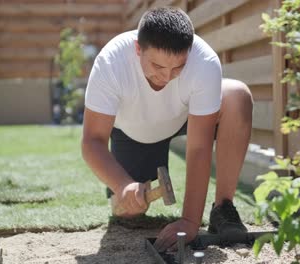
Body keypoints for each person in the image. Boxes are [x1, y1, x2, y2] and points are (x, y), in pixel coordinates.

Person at [81, 6, 253, 252]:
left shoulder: (204, 61)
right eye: (158, 66)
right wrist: (122, 185)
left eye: (178, 67)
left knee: (237, 96)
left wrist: (190, 221)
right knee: (130, 212)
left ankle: (223, 208)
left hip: (184, 117)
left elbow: (198, 147)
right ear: (138, 48)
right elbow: (92, 141)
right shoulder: (111, 63)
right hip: (133, 134)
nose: (167, 76)